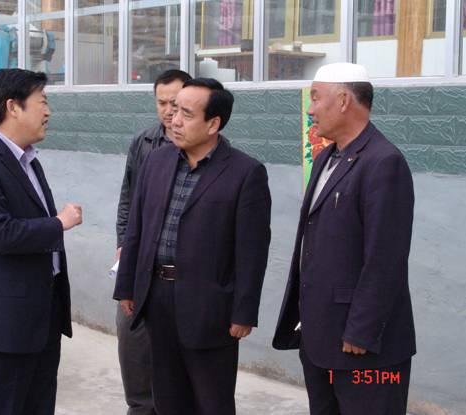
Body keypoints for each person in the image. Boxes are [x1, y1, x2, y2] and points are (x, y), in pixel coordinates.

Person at [114, 78, 271, 415]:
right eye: (173, 111)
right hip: (157, 296)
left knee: (211, 400)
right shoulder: (157, 161)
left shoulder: (245, 173)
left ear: (213, 124)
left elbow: (252, 250)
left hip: (209, 305)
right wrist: (127, 285)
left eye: (186, 114)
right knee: (167, 396)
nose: (174, 120)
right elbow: (137, 228)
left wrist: (244, 312)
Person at [272, 63, 415, 415]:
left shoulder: (384, 162)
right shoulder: (326, 157)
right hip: (320, 340)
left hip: (363, 347)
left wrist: (362, 331)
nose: (310, 109)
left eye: (315, 98)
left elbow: (385, 258)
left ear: (343, 101)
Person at [0, 68, 82, 415]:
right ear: (13, 107)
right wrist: (59, 223)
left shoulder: (28, 160)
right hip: (1, 327)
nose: (48, 112)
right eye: (42, 102)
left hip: (41, 319)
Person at [115, 69, 191, 415]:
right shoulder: (144, 143)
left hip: (179, 271)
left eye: (175, 103)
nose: (168, 111)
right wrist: (123, 244)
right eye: (161, 103)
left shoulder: (203, 146)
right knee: (131, 336)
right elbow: (128, 199)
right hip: (140, 261)